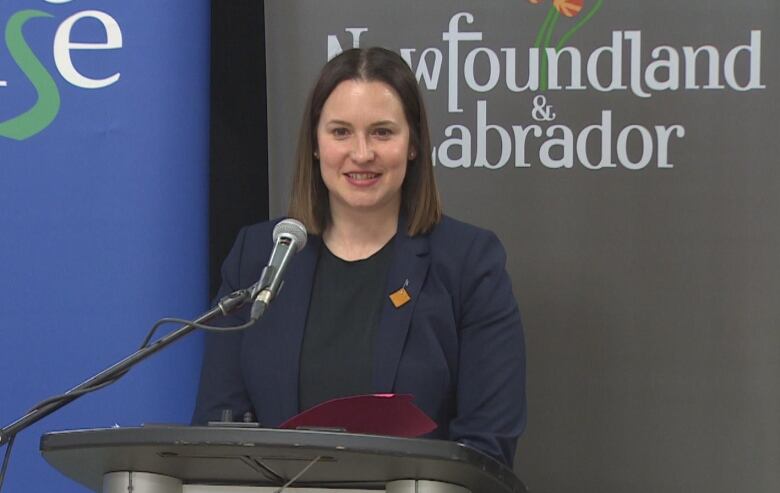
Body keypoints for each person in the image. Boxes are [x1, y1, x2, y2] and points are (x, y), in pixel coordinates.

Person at [192, 47, 526, 466]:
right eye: (341, 132)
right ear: (315, 144)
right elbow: (216, 429)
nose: (362, 153)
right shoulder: (259, 255)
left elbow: (486, 448)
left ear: (413, 145)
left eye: (383, 132)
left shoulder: (469, 263)